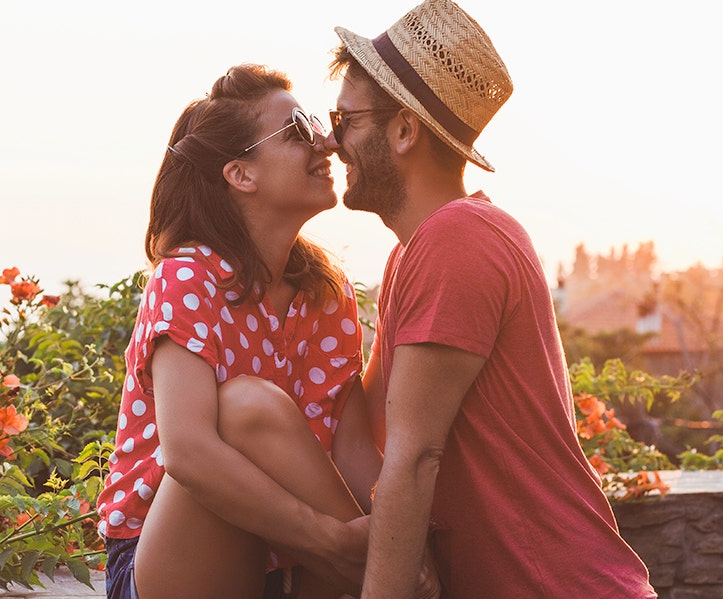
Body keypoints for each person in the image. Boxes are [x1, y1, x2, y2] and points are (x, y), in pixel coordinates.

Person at [324, 1, 658, 597]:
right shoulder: (415, 253)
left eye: (345, 118)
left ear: (404, 131)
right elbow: (366, 427)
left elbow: (413, 457)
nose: (331, 139)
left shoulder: (458, 240)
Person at [96, 64, 402, 599]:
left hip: (283, 565)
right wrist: (333, 541)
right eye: (298, 130)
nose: (325, 143)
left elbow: (351, 446)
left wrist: (403, 543)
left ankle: (394, 579)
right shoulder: (187, 278)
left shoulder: (325, 294)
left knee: (390, 544)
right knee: (245, 408)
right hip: (167, 558)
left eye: (316, 123)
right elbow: (187, 454)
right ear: (241, 174)